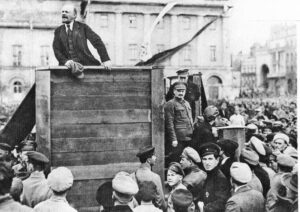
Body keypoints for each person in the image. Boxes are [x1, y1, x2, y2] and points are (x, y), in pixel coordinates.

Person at [53, 4, 112, 69]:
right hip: (67, 67)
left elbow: (97, 42)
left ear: (74, 15)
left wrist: (105, 59)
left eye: (67, 12)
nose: (63, 14)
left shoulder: (83, 27)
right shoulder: (58, 31)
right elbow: (56, 50)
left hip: (86, 65)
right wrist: (65, 61)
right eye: (62, 12)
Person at [165, 82, 194, 164]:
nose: (181, 93)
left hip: (189, 136)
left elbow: (189, 119)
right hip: (179, 138)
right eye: (179, 91)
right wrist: (174, 139)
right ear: (174, 91)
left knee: (187, 160)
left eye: (183, 91)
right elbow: (169, 123)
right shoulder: (170, 104)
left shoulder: (186, 103)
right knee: (177, 159)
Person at [197, 143, 230, 212]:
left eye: (210, 159)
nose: (207, 162)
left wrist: (204, 208)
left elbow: (221, 203)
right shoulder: (208, 174)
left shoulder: (220, 178)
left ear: (217, 160)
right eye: (204, 159)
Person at [133, 146, 166, 210]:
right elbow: (160, 201)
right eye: (154, 155)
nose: (155, 157)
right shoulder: (155, 177)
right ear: (148, 160)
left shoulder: (132, 176)